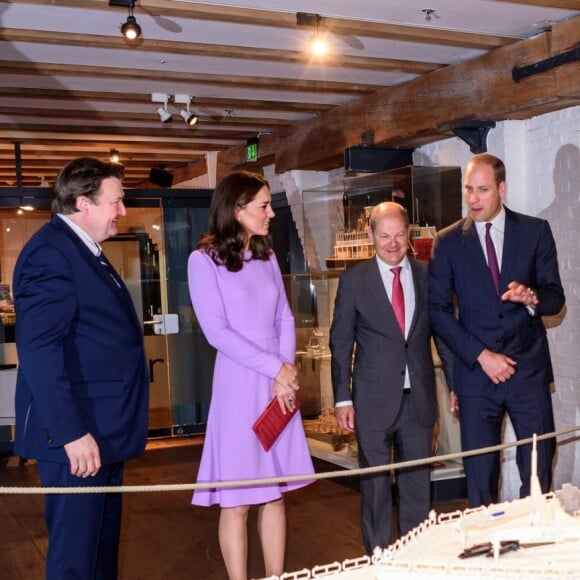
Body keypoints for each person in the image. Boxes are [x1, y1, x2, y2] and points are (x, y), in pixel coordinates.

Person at [13, 157, 149, 579]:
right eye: (117, 202)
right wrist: (72, 433)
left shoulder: (81, 251)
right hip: (78, 437)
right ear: (82, 204)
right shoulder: (51, 254)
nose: (123, 211)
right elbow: (39, 351)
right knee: (75, 562)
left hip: (101, 431)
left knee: (99, 554)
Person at [187, 170, 314, 580]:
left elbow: (284, 317)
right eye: (263, 205)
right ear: (238, 210)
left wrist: (285, 371)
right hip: (239, 384)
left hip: (278, 383)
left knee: (275, 495)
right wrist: (274, 367)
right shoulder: (202, 260)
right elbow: (217, 332)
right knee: (237, 501)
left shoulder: (268, 255)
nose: (270, 213)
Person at [428, 153, 565, 508]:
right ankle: (486, 557)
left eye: (483, 190)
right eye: (468, 190)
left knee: (537, 475)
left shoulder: (535, 231)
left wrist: (531, 296)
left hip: (529, 374)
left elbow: (555, 299)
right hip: (476, 376)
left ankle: (535, 550)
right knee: (480, 480)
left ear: (501, 189)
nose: (473, 199)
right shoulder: (448, 242)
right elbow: (438, 313)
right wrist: (481, 356)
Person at [330, 201, 437, 554]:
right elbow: (341, 343)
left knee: (417, 486)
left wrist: (456, 387)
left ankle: (415, 558)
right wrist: (342, 398)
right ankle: (380, 562)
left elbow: (444, 335)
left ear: (409, 234)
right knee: (375, 489)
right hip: (371, 403)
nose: (392, 243)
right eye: (384, 236)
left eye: (399, 235)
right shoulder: (353, 280)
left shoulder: (427, 274)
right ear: (372, 236)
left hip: (419, 401)